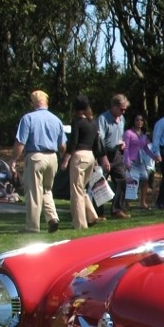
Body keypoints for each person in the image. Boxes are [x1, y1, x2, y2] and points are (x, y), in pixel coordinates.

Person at [11, 90, 67, 233]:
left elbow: (20, 142)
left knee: (33, 192)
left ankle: (32, 226)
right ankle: (52, 217)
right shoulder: (57, 120)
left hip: (36, 156)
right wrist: (62, 157)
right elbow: (62, 145)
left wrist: (13, 159)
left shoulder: (28, 118)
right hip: (52, 157)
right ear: (46, 102)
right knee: (47, 189)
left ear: (33, 102)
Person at [61, 95, 102, 229]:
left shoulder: (77, 122)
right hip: (90, 155)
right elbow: (96, 143)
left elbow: (73, 142)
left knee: (76, 191)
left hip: (79, 156)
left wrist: (65, 160)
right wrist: (96, 159)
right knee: (82, 189)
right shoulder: (93, 122)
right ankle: (91, 215)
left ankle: (80, 223)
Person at [97, 93, 131, 219]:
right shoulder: (103, 119)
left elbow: (119, 135)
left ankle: (117, 209)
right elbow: (99, 140)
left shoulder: (122, 119)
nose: (123, 112)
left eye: (125, 110)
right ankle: (98, 212)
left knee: (121, 179)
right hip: (104, 153)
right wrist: (103, 157)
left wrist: (121, 143)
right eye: (121, 109)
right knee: (100, 183)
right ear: (114, 107)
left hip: (117, 153)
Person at [123, 112, 154, 209]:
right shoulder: (128, 133)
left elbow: (145, 148)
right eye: (137, 120)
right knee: (130, 182)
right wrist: (127, 161)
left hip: (141, 162)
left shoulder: (144, 135)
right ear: (133, 121)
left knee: (145, 178)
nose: (139, 122)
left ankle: (142, 202)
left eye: (141, 120)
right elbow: (126, 148)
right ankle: (126, 202)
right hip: (131, 161)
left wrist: (154, 156)